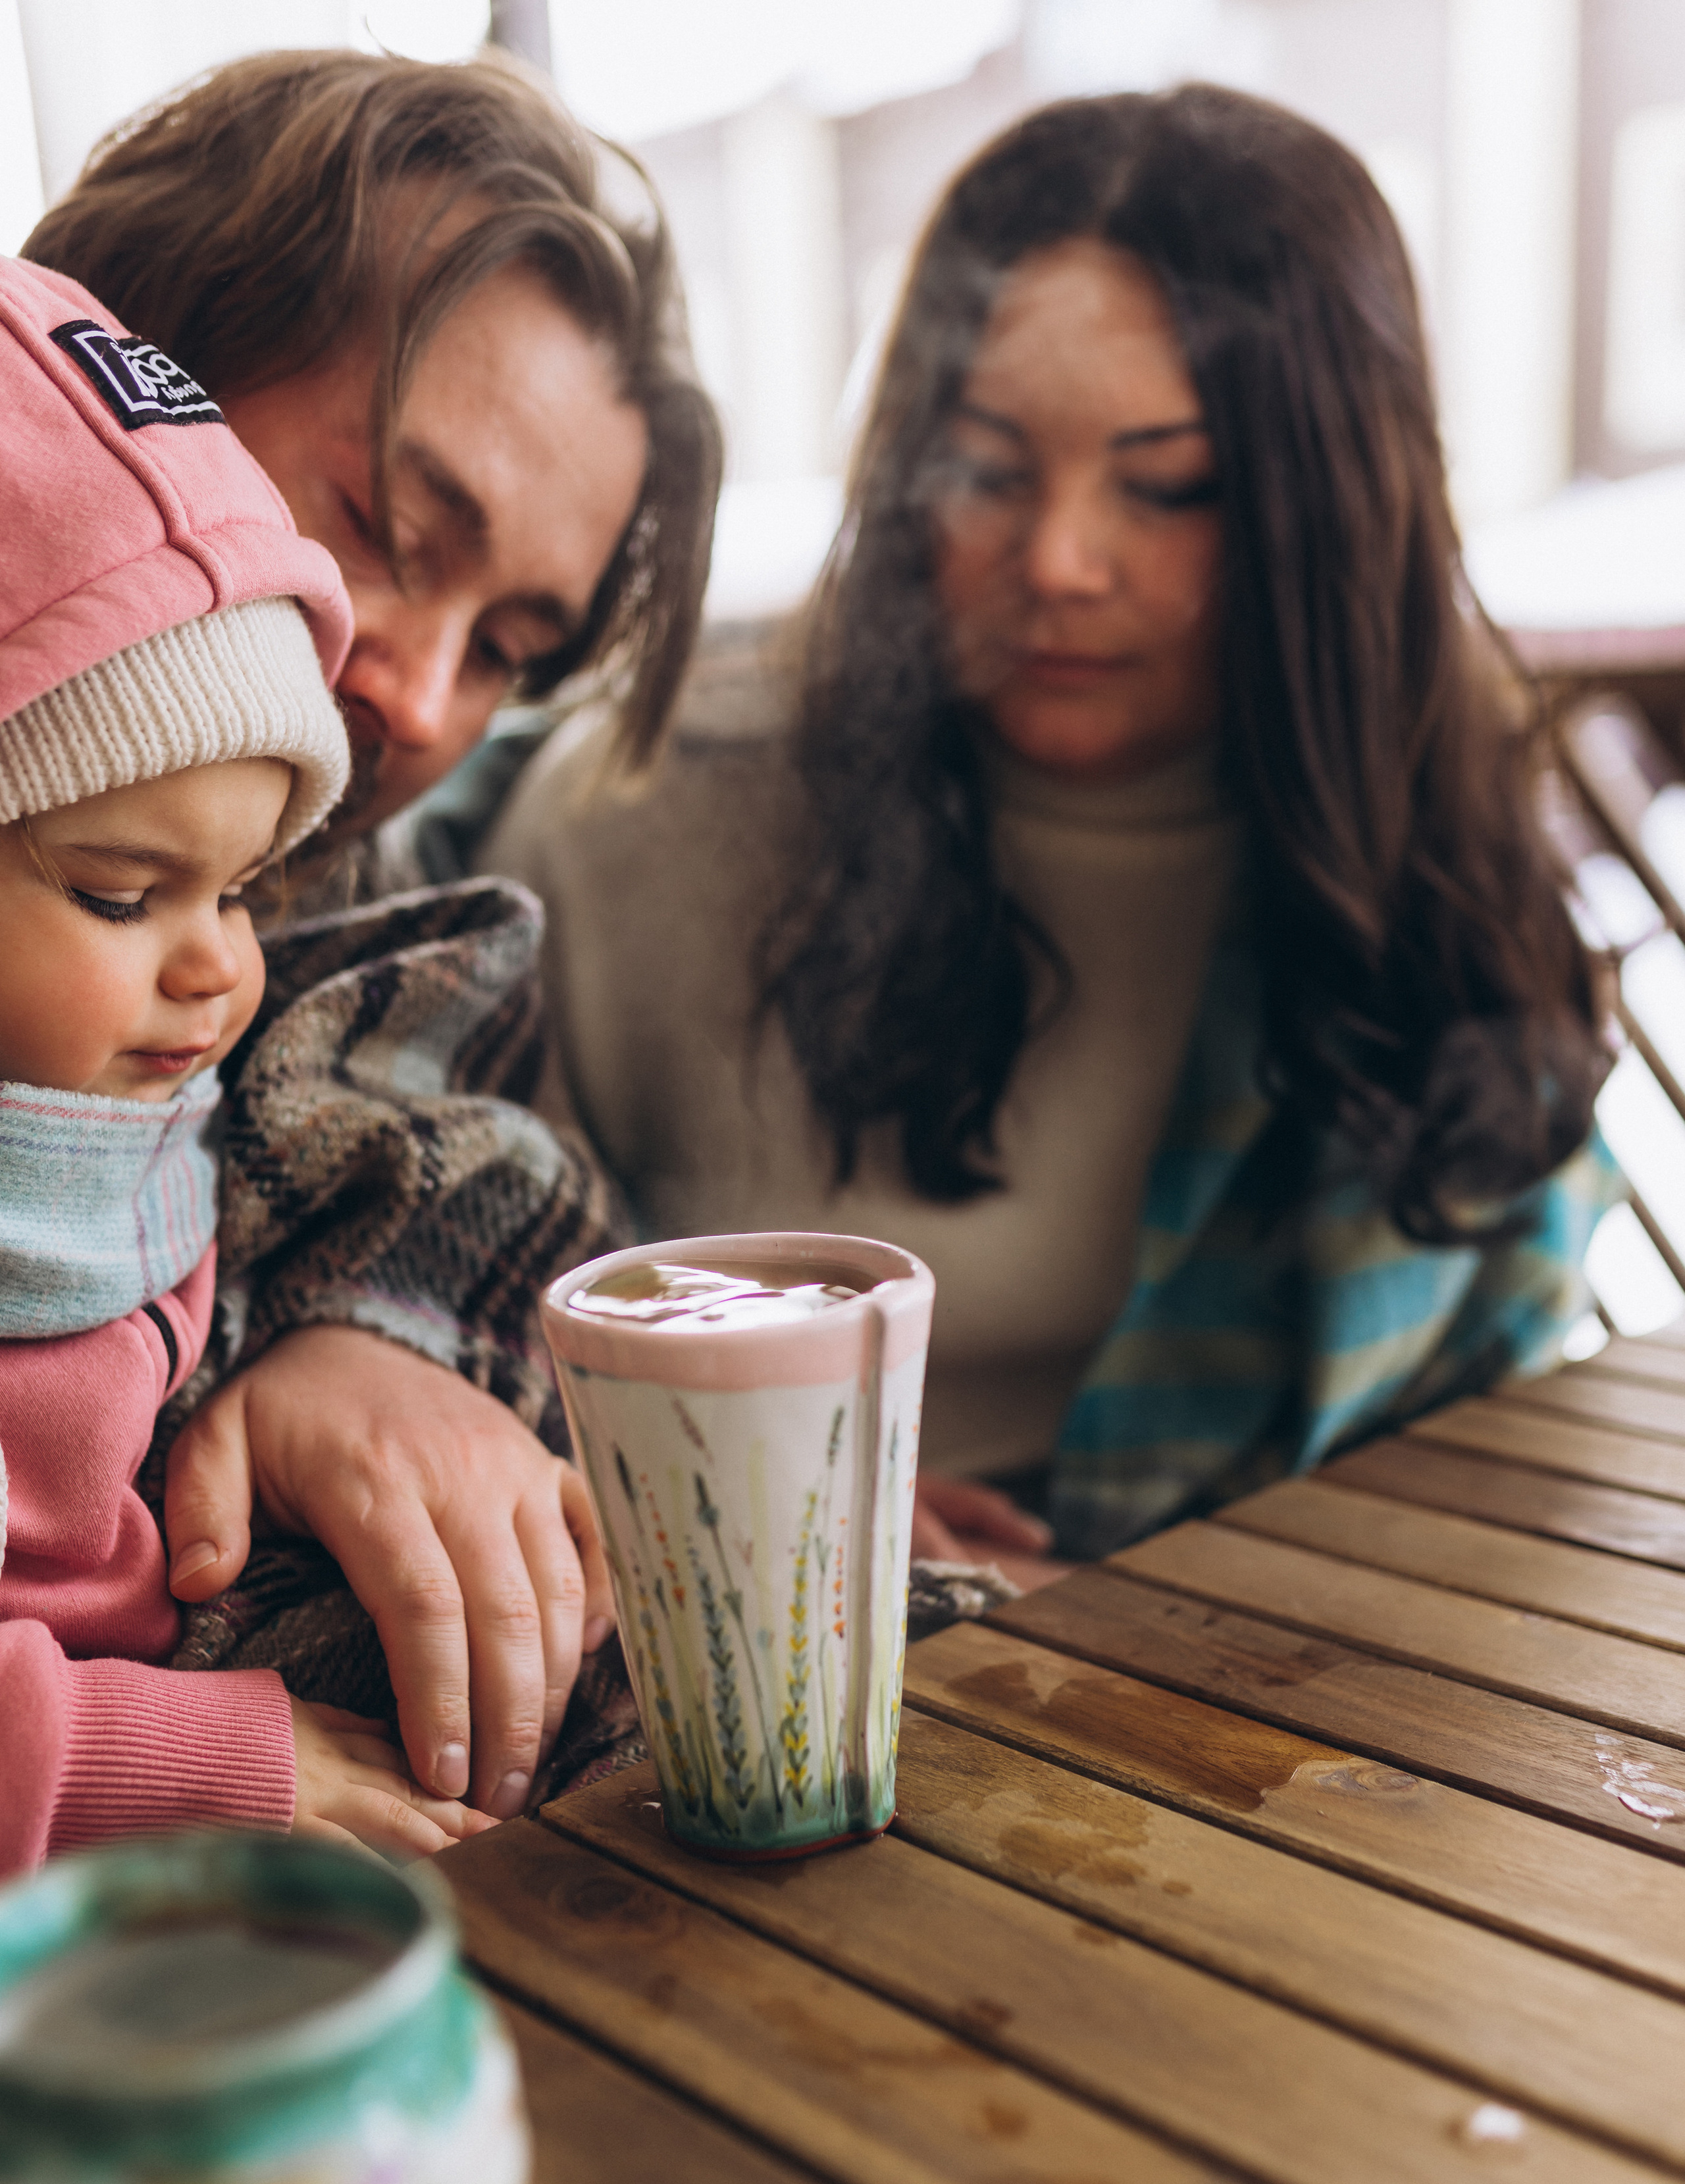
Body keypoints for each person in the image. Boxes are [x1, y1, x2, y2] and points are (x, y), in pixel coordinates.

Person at [480, 84, 1617, 1570]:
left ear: (1329, 510)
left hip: (1284, 1671)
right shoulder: (656, 807)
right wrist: (791, 1536)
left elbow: (1504, 1438)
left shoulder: (1409, 850)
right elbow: (451, 1335)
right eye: (987, 470)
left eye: (1167, 487)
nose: (1059, 560)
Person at [25, 49, 723, 1813]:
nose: (414, 694)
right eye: (386, 529)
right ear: (122, 371)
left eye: (509, 649)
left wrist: (392, 1321)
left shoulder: (385, 966)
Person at [0, 256, 512, 1867]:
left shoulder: (135, 1118)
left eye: (240, 888)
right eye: (116, 892)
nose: (222, 962)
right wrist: (155, 1757)